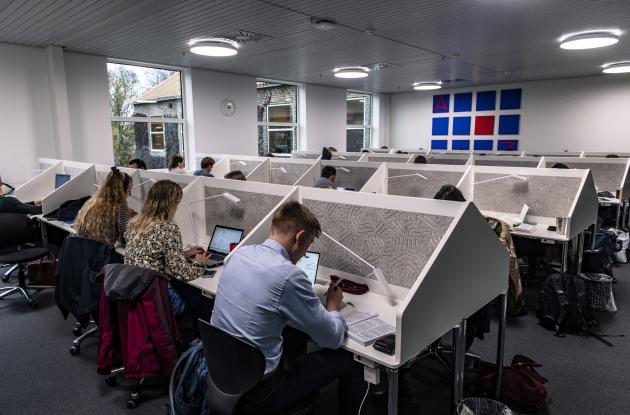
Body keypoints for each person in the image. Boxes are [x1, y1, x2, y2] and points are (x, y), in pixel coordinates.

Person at [211, 201, 364, 414]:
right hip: (261, 391)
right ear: (299, 237)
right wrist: (332, 305)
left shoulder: (239, 254)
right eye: (308, 244)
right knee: (353, 360)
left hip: (221, 373)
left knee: (296, 335)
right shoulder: (288, 275)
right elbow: (332, 338)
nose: (305, 253)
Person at [124, 180, 209, 315]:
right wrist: (200, 263)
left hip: (135, 292)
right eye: (177, 203)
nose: (177, 208)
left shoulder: (135, 222)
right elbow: (183, 273)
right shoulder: (167, 228)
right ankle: (191, 335)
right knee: (202, 299)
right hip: (155, 298)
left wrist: (182, 253)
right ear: (170, 204)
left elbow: (151, 250)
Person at [76, 168, 132, 247]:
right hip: (101, 255)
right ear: (122, 190)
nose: (130, 194)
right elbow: (126, 237)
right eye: (129, 190)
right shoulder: (121, 206)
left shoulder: (92, 202)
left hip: (83, 252)